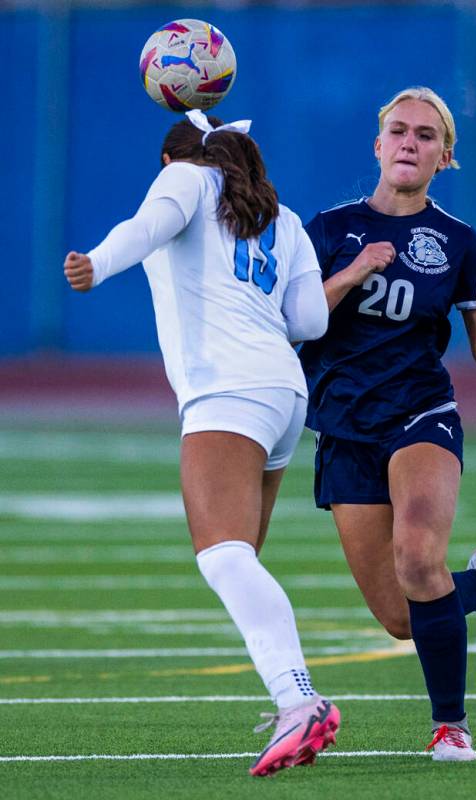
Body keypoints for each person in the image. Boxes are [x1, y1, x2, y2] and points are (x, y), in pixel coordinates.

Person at [63, 110, 339, 777]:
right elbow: (309, 319)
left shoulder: (184, 177)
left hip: (227, 390)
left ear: (173, 160)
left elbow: (144, 229)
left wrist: (96, 265)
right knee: (238, 556)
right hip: (283, 392)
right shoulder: (287, 219)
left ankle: (298, 701)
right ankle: (292, 702)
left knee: (221, 558)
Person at [298, 86, 476, 761]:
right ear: (377, 145)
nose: (409, 142)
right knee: (401, 616)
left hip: (420, 414)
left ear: (444, 156)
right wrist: (349, 274)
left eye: (425, 135)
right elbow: (294, 323)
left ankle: (450, 726)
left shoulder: (456, 241)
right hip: (343, 428)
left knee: (417, 558)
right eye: (398, 132)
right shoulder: (328, 229)